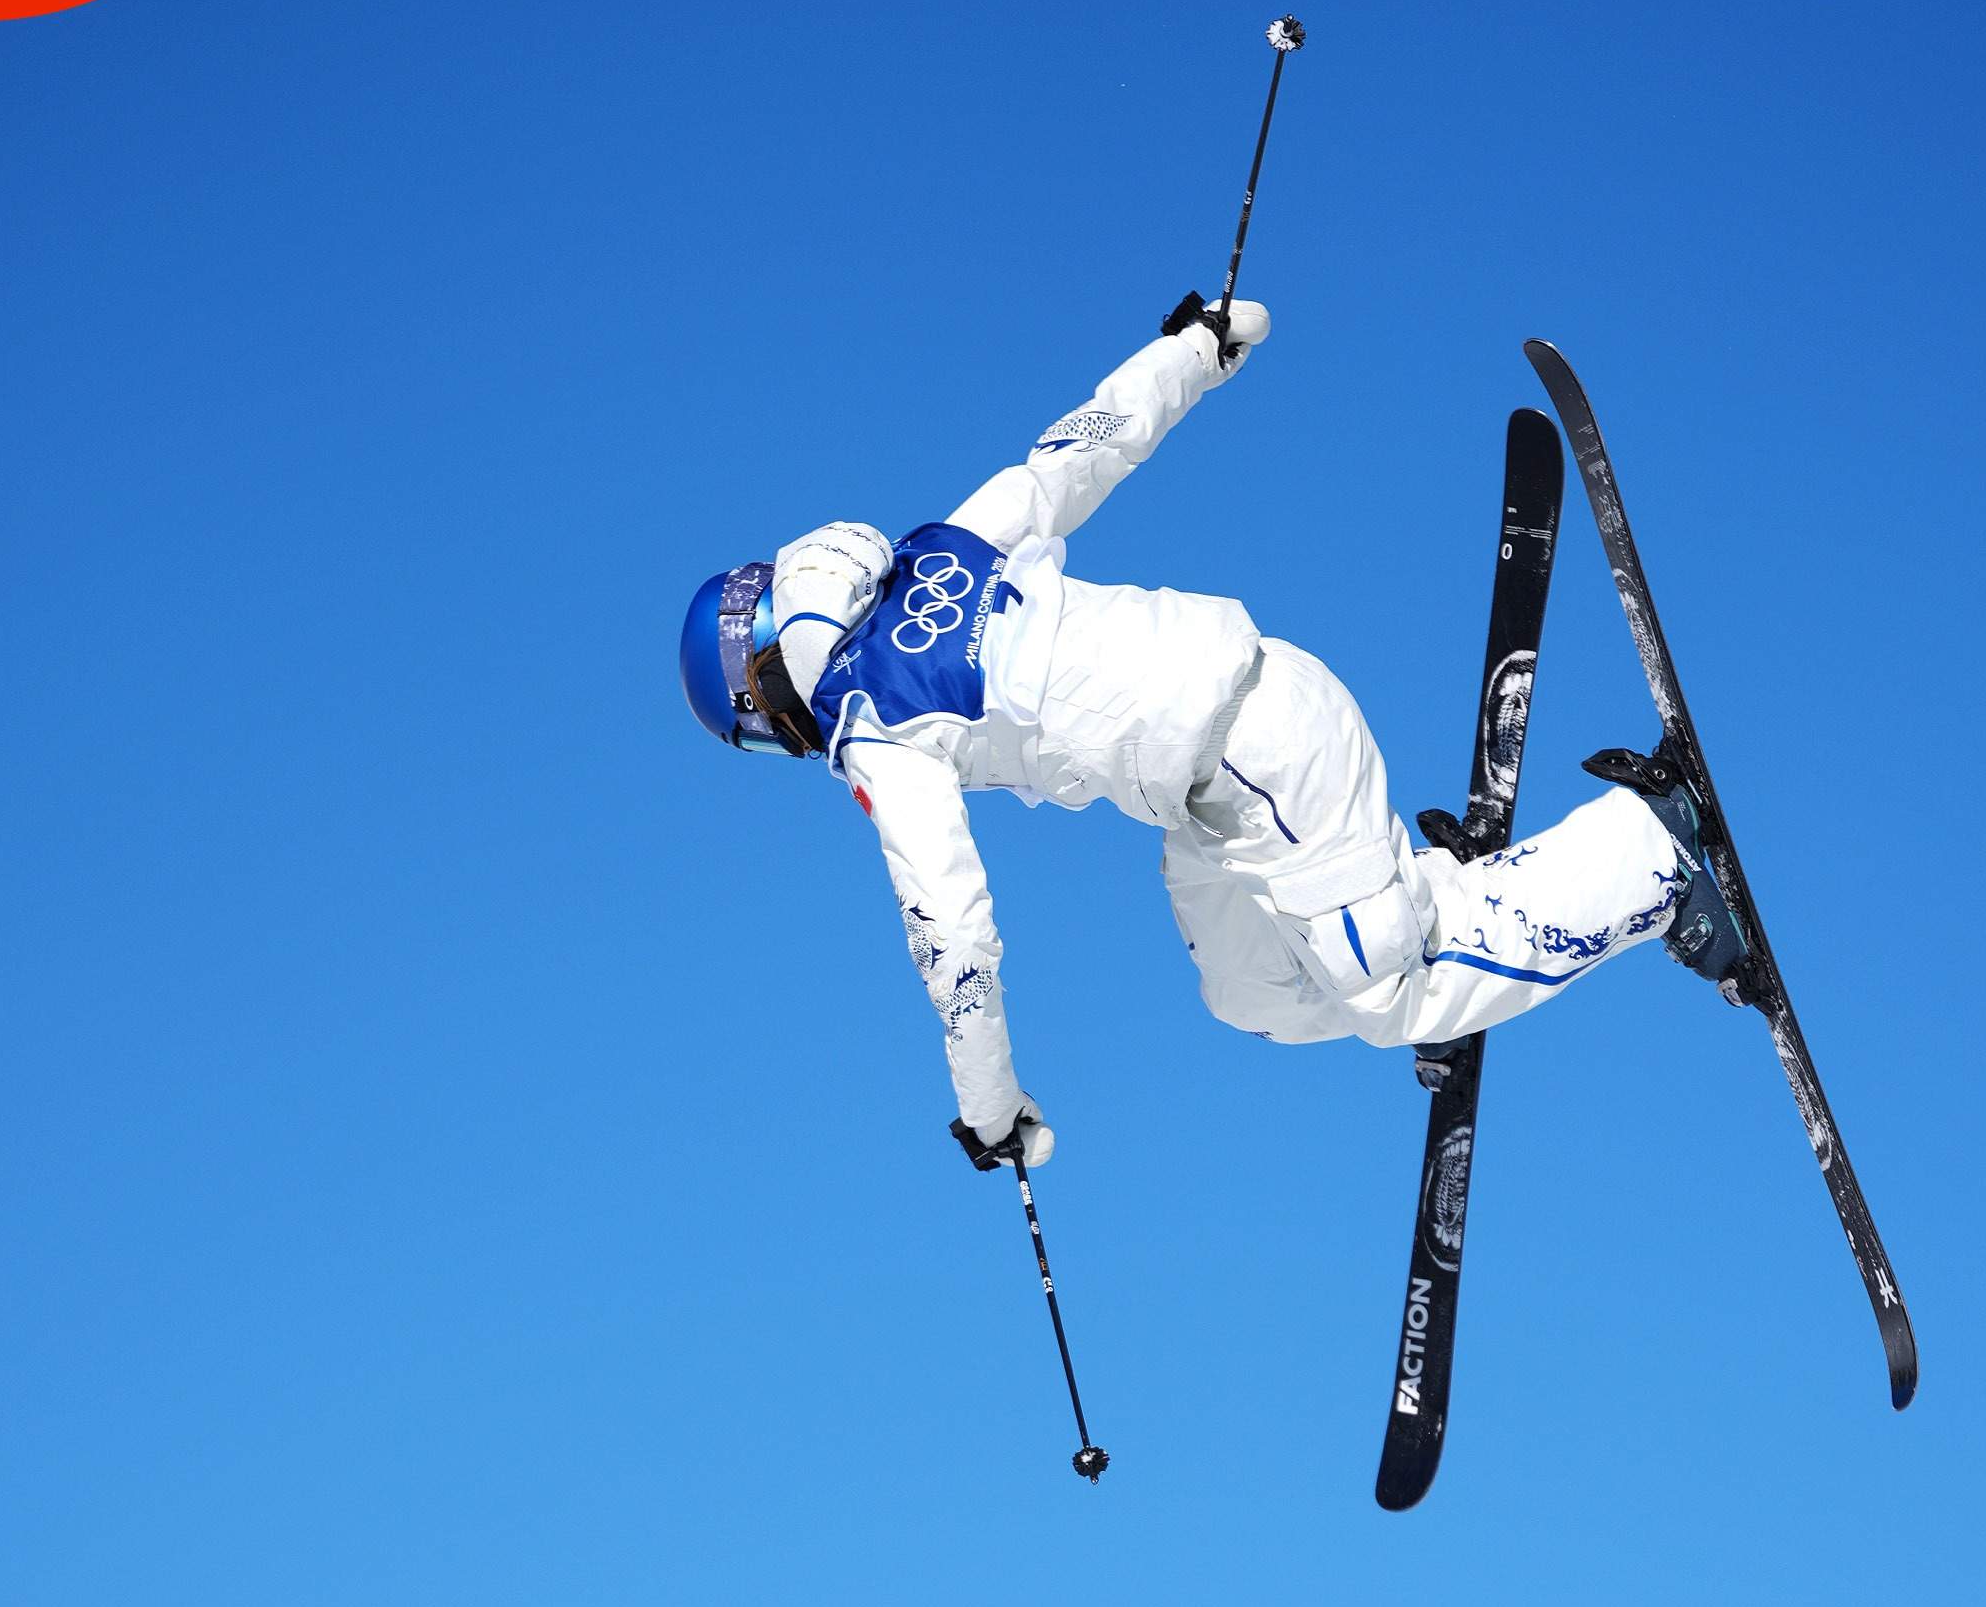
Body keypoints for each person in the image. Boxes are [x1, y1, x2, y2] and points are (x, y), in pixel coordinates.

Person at [677, 300, 1746, 1171]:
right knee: (1247, 994)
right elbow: (1080, 447)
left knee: (1392, 1000)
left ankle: (1649, 854)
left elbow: (953, 938)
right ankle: (1423, 909)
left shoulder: (875, 728)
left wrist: (990, 1109)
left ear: (762, 683)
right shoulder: (940, 548)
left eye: (765, 734)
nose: (792, 746)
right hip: (1213, 795)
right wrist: (1192, 351)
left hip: (1264, 748)